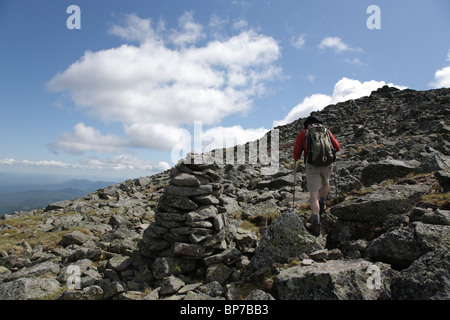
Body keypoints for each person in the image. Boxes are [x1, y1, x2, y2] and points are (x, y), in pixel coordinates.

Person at [293, 116, 340, 236]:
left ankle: (316, 223)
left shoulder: (304, 133)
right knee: (326, 183)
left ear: (307, 124)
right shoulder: (326, 131)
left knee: (313, 195)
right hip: (327, 163)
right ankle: (323, 203)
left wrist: (296, 158)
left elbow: (296, 154)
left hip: (312, 165)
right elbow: (337, 147)